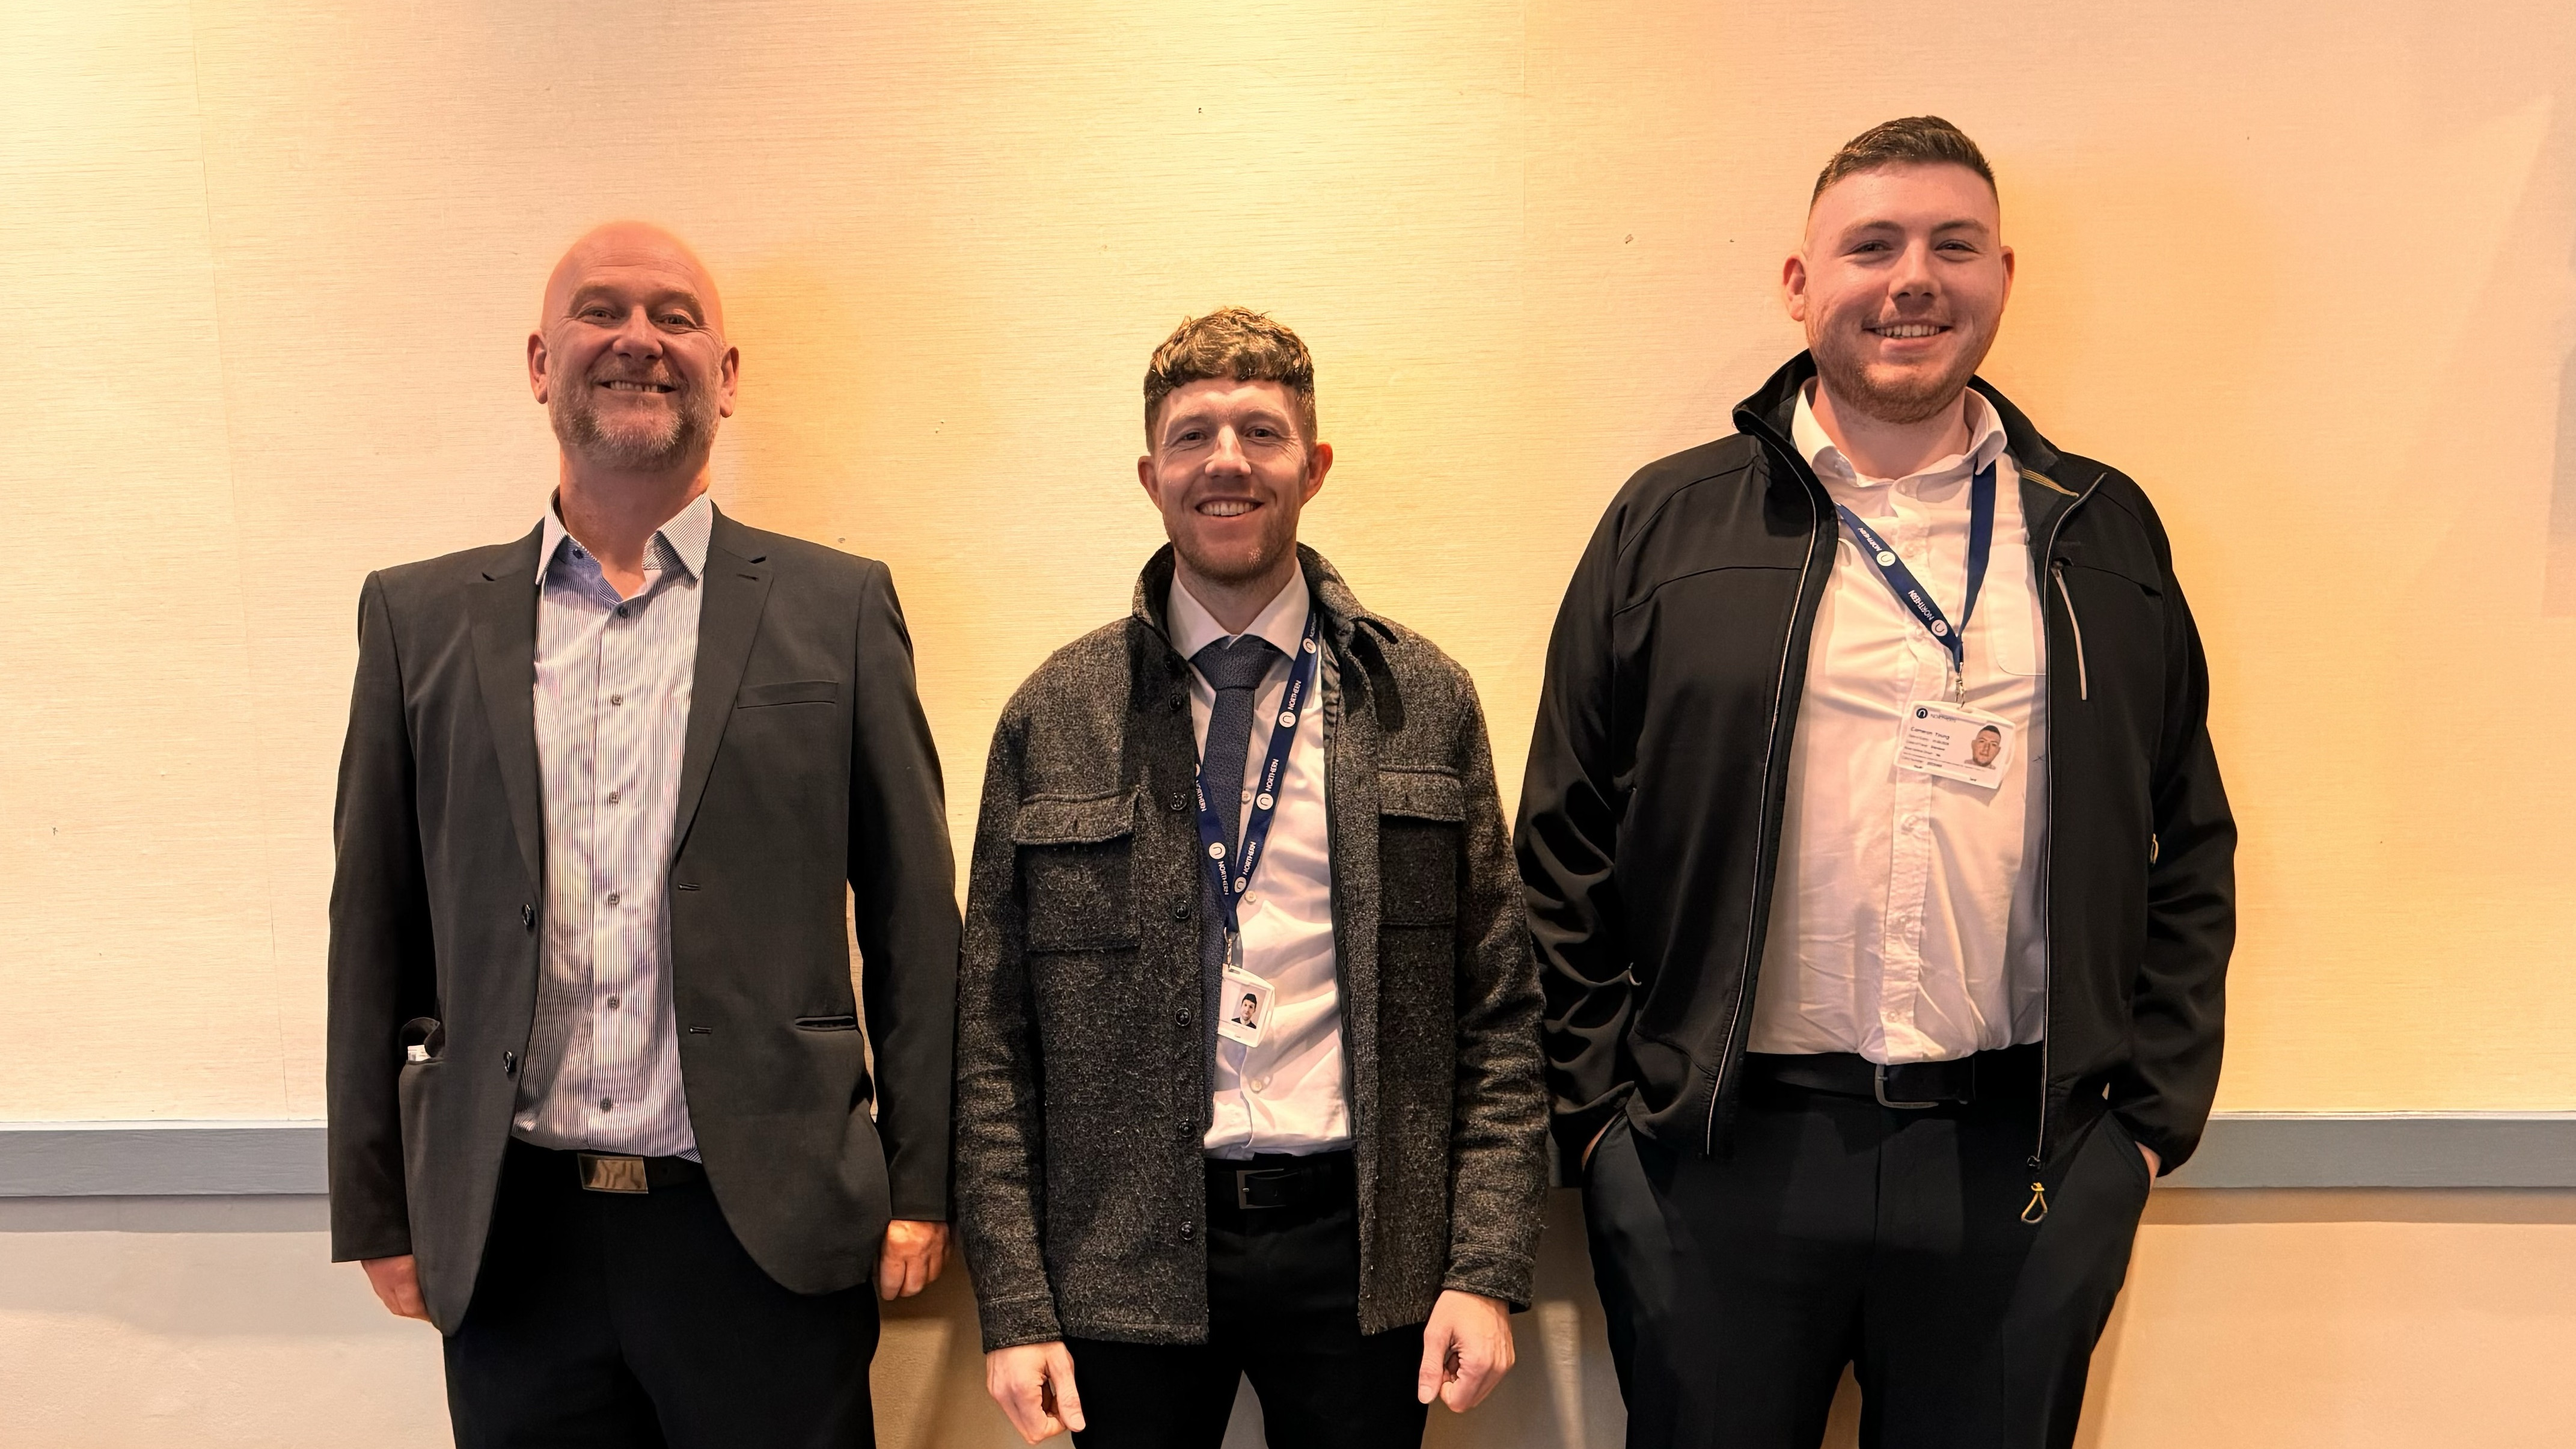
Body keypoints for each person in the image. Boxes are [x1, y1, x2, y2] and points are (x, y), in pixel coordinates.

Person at [1519, 118, 2235, 1448]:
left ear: (2002, 276)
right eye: (1874, 245)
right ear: (1800, 283)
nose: (1914, 277)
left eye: (1951, 245)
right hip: (1716, 1161)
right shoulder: (1665, 525)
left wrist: (2139, 1130)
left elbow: (2186, 841)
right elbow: (1559, 841)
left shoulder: (2097, 528)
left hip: (2016, 1160)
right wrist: (1604, 1126)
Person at [326, 221, 960, 1448]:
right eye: (599, 311)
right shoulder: (416, 620)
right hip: (514, 1235)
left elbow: (911, 912)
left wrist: (924, 1177)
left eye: (675, 317)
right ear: (538, 362)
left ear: (725, 374)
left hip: (763, 1231)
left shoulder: (838, 608)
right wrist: (376, 1201)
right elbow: (373, 922)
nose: (637, 340)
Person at [955, 308, 1549, 1449]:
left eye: (1260, 432)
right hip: (1120, 1257)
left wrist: (1483, 1263)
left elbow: (1499, 1014)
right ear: (1150, 474)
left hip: (1367, 1255)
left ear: (1312, 467)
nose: (1225, 460)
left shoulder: (1421, 699)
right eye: (1193, 436)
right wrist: (1015, 1302)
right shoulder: (1054, 715)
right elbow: (992, 1038)